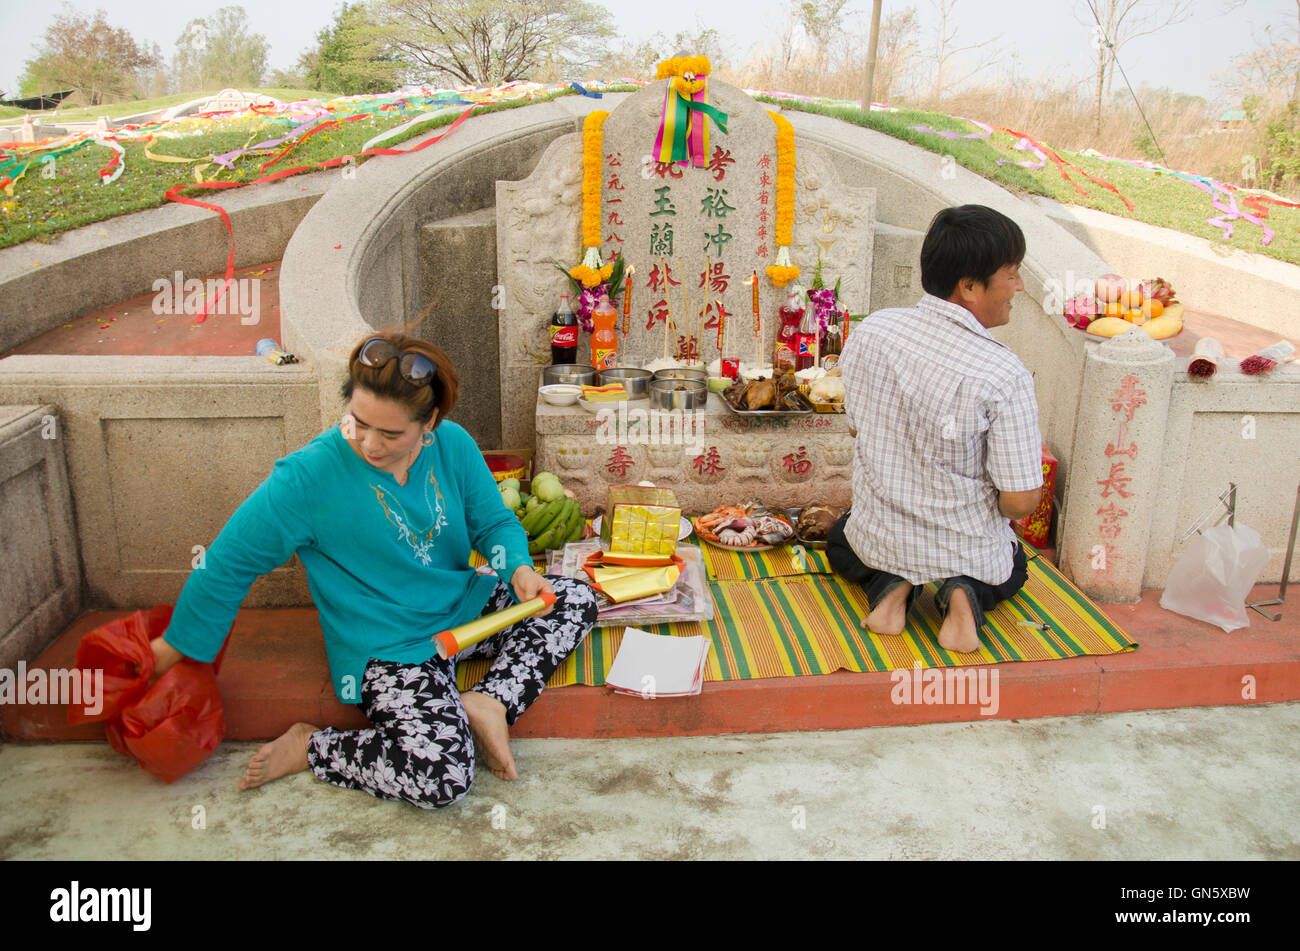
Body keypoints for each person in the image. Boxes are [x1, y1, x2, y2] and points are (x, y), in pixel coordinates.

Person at [147, 332, 598, 808]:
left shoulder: (453, 445)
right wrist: (177, 645)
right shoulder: (308, 476)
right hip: (387, 645)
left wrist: (519, 571)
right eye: (359, 424)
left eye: (390, 433)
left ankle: (491, 702)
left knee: (573, 598)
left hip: (461, 608)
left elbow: (493, 522)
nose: (369, 444)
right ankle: (313, 747)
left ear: (430, 422)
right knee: (441, 777)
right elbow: (229, 561)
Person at [831, 204, 1044, 654]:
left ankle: (892, 589)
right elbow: (1021, 501)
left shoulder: (873, 330)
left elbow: (857, 430)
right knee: (1015, 564)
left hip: (880, 537)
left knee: (841, 539)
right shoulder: (1005, 373)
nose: (1019, 286)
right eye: (1012, 272)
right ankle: (965, 593)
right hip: (968, 546)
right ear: (969, 286)